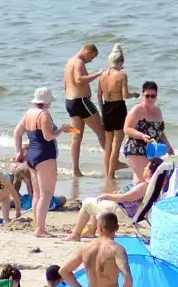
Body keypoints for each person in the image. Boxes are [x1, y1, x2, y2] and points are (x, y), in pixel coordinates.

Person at [14, 87, 70, 238]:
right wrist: (61, 130)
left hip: (32, 155)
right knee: (46, 195)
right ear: (47, 102)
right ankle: (40, 229)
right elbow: (48, 136)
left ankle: (37, 226)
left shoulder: (29, 113)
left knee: (37, 195)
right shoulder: (44, 115)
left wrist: (18, 151)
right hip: (45, 155)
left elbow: (17, 133)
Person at [69, 157, 164, 241]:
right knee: (95, 202)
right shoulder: (153, 187)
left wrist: (108, 196)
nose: (144, 169)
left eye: (146, 167)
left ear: (149, 172)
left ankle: (76, 235)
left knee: (87, 203)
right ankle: (91, 231)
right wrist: (115, 195)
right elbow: (130, 197)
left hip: (121, 211)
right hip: (125, 209)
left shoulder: (144, 186)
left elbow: (126, 197)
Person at [63, 43, 105, 178]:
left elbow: (66, 85)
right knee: (101, 131)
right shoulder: (79, 62)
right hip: (81, 103)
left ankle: (75, 170)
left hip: (70, 103)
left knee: (76, 136)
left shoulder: (69, 62)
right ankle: (113, 162)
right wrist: (98, 74)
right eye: (92, 57)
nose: (91, 60)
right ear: (87, 52)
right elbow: (79, 79)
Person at [98, 44, 136, 179]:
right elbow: (125, 95)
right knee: (116, 145)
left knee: (108, 144)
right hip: (118, 108)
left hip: (106, 107)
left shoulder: (102, 75)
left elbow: (99, 95)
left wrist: (102, 111)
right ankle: (110, 175)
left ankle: (107, 173)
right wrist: (134, 94)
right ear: (120, 62)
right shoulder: (122, 75)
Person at [122, 81, 172, 182]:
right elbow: (127, 129)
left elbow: (160, 132)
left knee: (141, 182)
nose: (150, 99)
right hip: (136, 149)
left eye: (153, 96)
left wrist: (168, 146)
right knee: (147, 181)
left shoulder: (157, 111)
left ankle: (129, 192)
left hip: (152, 151)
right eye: (147, 96)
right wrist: (142, 136)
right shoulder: (137, 110)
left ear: (156, 96)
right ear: (142, 95)